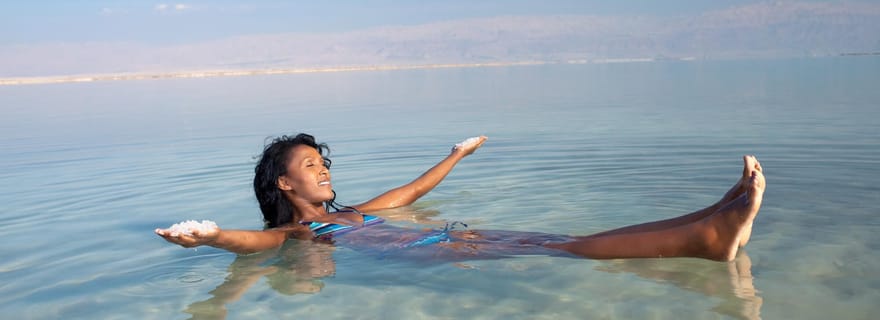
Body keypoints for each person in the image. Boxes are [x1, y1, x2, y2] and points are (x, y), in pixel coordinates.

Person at [156, 133, 765, 262]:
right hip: (430, 251)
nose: (321, 170)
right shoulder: (300, 232)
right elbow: (252, 240)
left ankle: (713, 216)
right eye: (308, 166)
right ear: (285, 184)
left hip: (445, 236)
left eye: (322, 163)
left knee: (555, 242)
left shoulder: (352, 212)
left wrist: (457, 154)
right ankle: (707, 238)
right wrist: (209, 236)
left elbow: (415, 189)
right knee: (564, 247)